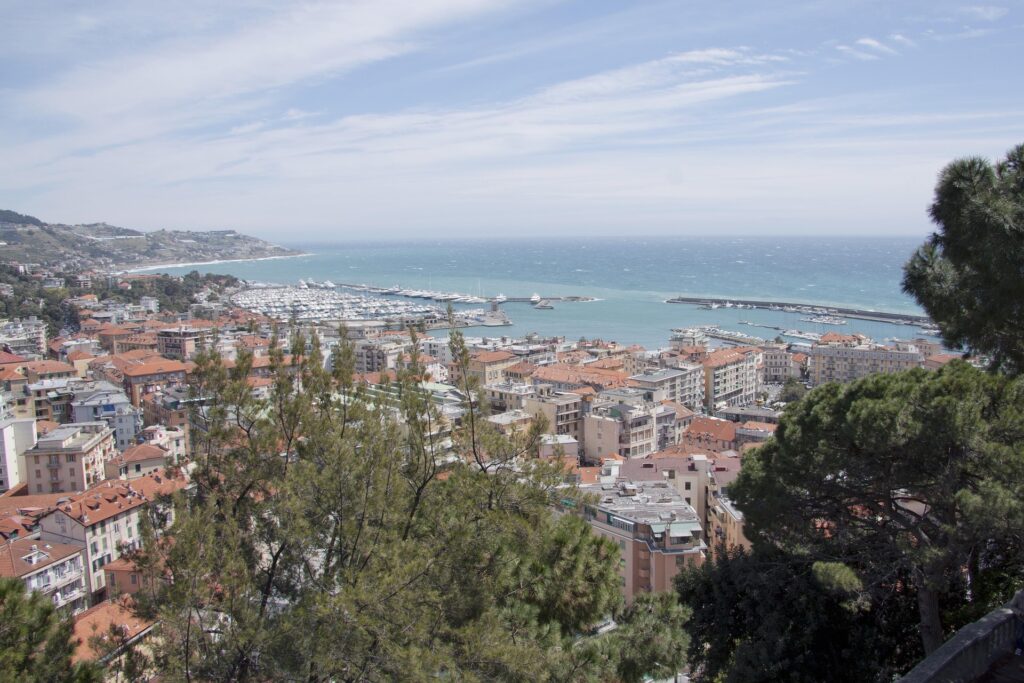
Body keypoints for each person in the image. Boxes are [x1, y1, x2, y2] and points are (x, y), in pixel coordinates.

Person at [1011, 590, 1024, 657]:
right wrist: (1020, 613)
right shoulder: (1018, 594)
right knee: (1019, 635)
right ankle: (1019, 648)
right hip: (1021, 619)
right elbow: (1012, 606)